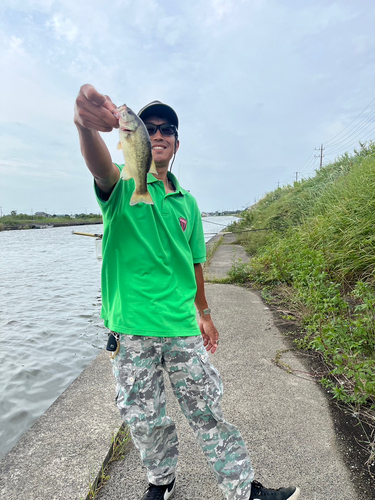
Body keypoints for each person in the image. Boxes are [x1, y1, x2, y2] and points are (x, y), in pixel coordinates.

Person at [74, 84, 300, 500]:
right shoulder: (121, 187)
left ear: (177, 143)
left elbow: (196, 263)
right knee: (144, 418)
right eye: (151, 127)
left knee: (209, 411)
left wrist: (206, 313)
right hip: (131, 328)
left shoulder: (189, 204)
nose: (157, 134)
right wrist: (84, 126)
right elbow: (99, 167)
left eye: (167, 129)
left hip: (181, 326)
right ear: (132, 139)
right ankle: (161, 481)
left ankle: (243, 490)